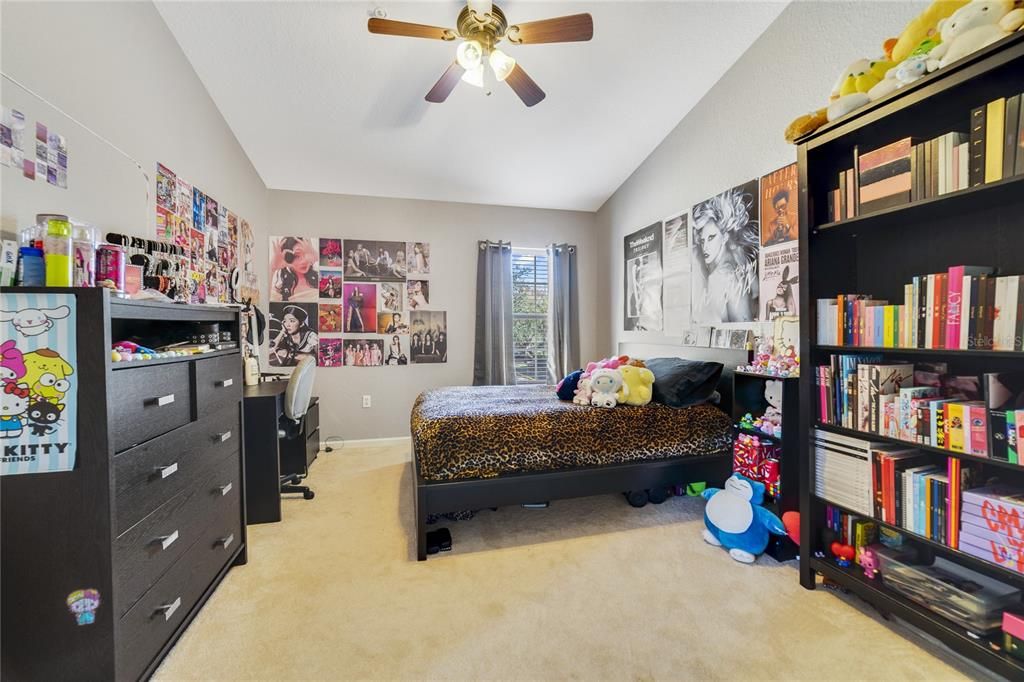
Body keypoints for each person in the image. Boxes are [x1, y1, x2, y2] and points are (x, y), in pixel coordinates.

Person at [692, 187, 760, 323]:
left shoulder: (718, 276)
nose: (705, 247)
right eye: (702, 240)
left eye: (711, 238)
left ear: (724, 237)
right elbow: (756, 291)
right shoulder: (739, 256)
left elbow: (725, 325)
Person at [272, 237, 318, 301]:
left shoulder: (319, 280)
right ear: (287, 258)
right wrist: (272, 268)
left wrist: (316, 258)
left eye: (306, 254)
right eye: (297, 256)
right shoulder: (281, 289)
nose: (304, 261)